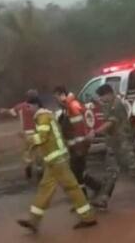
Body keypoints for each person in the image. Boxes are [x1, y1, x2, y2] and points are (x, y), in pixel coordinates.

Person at [17, 95, 97, 233]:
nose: (28, 110)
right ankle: (33, 221)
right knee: (46, 189)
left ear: (36, 105)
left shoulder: (43, 117)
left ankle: (88, 217)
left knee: (71, 188)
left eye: (29, 106)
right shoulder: (45, 116)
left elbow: (41, 137)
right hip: (54, 161)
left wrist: (27, 138)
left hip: (57, 160)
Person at [85, 84, 135, 210]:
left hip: (123, 142)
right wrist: (95, 102)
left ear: (109, 94)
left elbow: (110, 123)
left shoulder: (117, 105)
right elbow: (103, 110)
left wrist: (95, 132)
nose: (102, 100)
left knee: (132, 167)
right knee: (111, 171)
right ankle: (103, 200)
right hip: (113, 143)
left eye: (103, 97)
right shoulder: (109, 104)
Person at [53, 86, 102, 198]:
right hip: (75, 147)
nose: (55, 100)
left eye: (56, 97)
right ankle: (96, 187)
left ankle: (84, 198)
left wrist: (80, 146)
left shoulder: (72, 106)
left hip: (79, 147)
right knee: (78, 172)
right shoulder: (66, 108)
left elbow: (80, 126)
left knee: (76, 173)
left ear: (62, 95)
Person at [0, 89, 42, 180]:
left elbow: (11, 111)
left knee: (27, 153)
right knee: (38, 153)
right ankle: (39, 171)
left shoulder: (21, 106)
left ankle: (28, 168)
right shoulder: (38, 107)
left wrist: (3, 110)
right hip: (37, 133)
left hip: (25, 134)